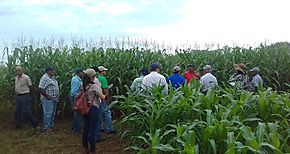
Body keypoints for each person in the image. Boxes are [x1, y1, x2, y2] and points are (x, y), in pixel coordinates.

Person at [82, 68, 106, 154]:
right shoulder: (94, 86)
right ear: (92, 77)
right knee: (92, 129)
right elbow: (102, 97)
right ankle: (92, 149)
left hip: (85, 108)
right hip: (93, 108)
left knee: (85, 128)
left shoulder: (84, 85)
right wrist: (106, 94)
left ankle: (85, 147)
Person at [38, 67, 59, 132]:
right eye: (53, 71)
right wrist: (47, 95)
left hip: (54, 98)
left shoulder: (51, 78)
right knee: (48, 113)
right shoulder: (45, 78)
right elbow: (40, 88)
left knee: (52, 113)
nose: (54, 72)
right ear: (49, 71)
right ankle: (46, 127)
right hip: (47, 99)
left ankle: (51, 126)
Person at [98, 66, 116, 133]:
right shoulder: (103, 78)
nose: (105, 72)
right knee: (107, 112)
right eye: (104, 71)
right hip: (103, 97)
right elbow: (105, 89)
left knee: (100, 113)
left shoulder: (97, 78)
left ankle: (100, 127)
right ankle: (109, 128)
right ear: (102, 72)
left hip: (98, 98)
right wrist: (107, 97)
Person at [69, 67, 85, 134]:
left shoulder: (78, 79)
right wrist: (79, 98)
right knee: (78, 114)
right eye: (82, 72)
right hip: (75, 98)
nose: (83, 73)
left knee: (77, 114)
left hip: (76, 98)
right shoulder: (76, 80)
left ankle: (75, 127)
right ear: (79, 73)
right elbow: (74, 92)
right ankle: (77, 129)